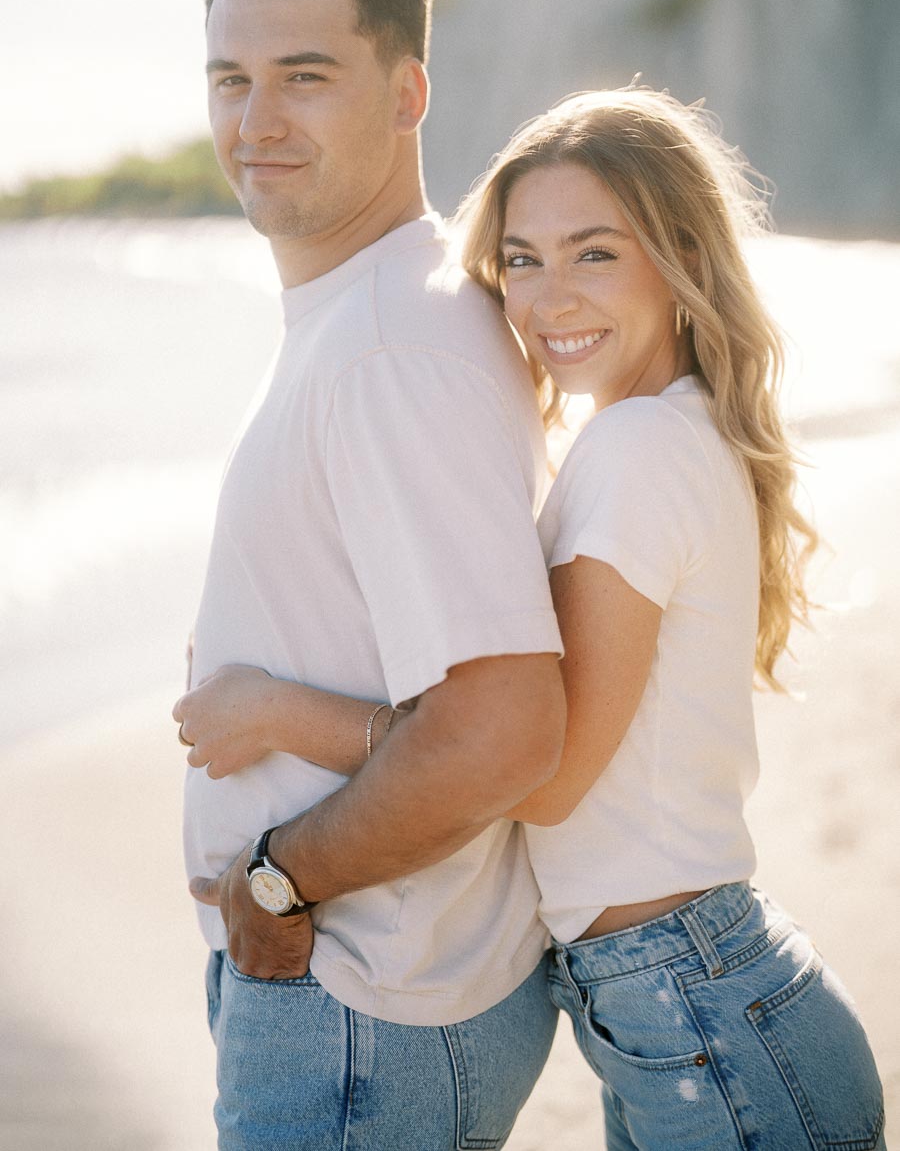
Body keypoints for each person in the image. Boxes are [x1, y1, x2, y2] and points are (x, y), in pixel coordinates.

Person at [178, 87, 886, 1149]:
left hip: (698, 1014)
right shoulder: (663, 433)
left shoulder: (636, 455)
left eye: (594, 253)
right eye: (521, 259)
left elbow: (540, 777)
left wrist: (276, 709)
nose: (549, 298)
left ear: (678, 257)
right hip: (683, 1000)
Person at [177, 0, 570, 1150]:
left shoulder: (391, 348)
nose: (258, 122)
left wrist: (276, 879)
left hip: (359, 1006)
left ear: (408, 94)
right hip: (364, 994)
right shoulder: (375, 314)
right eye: (231, 79)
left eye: (306, 77)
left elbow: (504, 727)